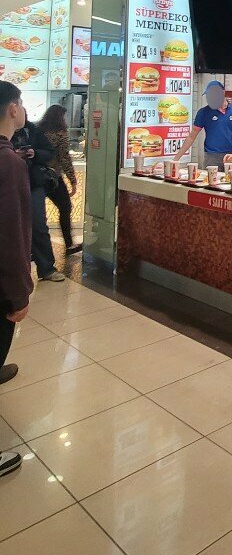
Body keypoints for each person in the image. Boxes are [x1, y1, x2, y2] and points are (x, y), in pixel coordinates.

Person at [0, 81, 34, 478]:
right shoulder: (8, 163)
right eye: (21, 104)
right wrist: (19, 293)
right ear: (12, 109)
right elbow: (10, 235)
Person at [12, 119, 65, 282]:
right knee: (11, 228)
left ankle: (47, 268)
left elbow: (49, 152)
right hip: (9, 183)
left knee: (38, 225)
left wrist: (34, 153)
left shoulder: (33, 129)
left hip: (33, 183)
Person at [38, 104, 81, 255]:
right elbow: (64, 158)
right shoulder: (60, 134)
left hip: (36, 176)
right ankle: (69, 244)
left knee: (38, 213)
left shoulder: (39, 130)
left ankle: (33, 248)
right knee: (65, 207)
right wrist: (73, 180)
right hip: (53, 177)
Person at [173, 81, 232, 169]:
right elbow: (191, 137)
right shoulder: (203, 112)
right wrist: (176, 159)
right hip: (211, 158)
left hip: (231, 156)